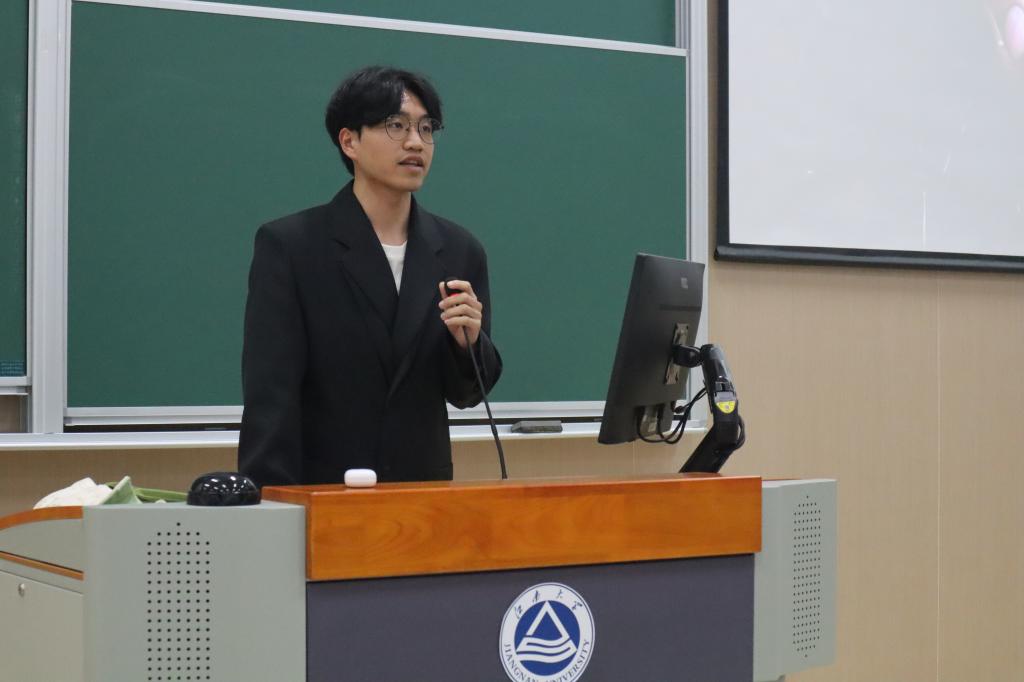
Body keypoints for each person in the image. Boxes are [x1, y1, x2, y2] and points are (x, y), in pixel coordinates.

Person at [238, 66, 502, 487]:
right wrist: (273, 503)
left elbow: (467, 394)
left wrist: (468, 344)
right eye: (396, 125)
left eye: (426, 128)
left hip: (421, 492)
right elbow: (271, 396)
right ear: (350, 141)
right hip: (324, 489)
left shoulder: (458, 250)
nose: (415, 142)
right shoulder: (292, 246)